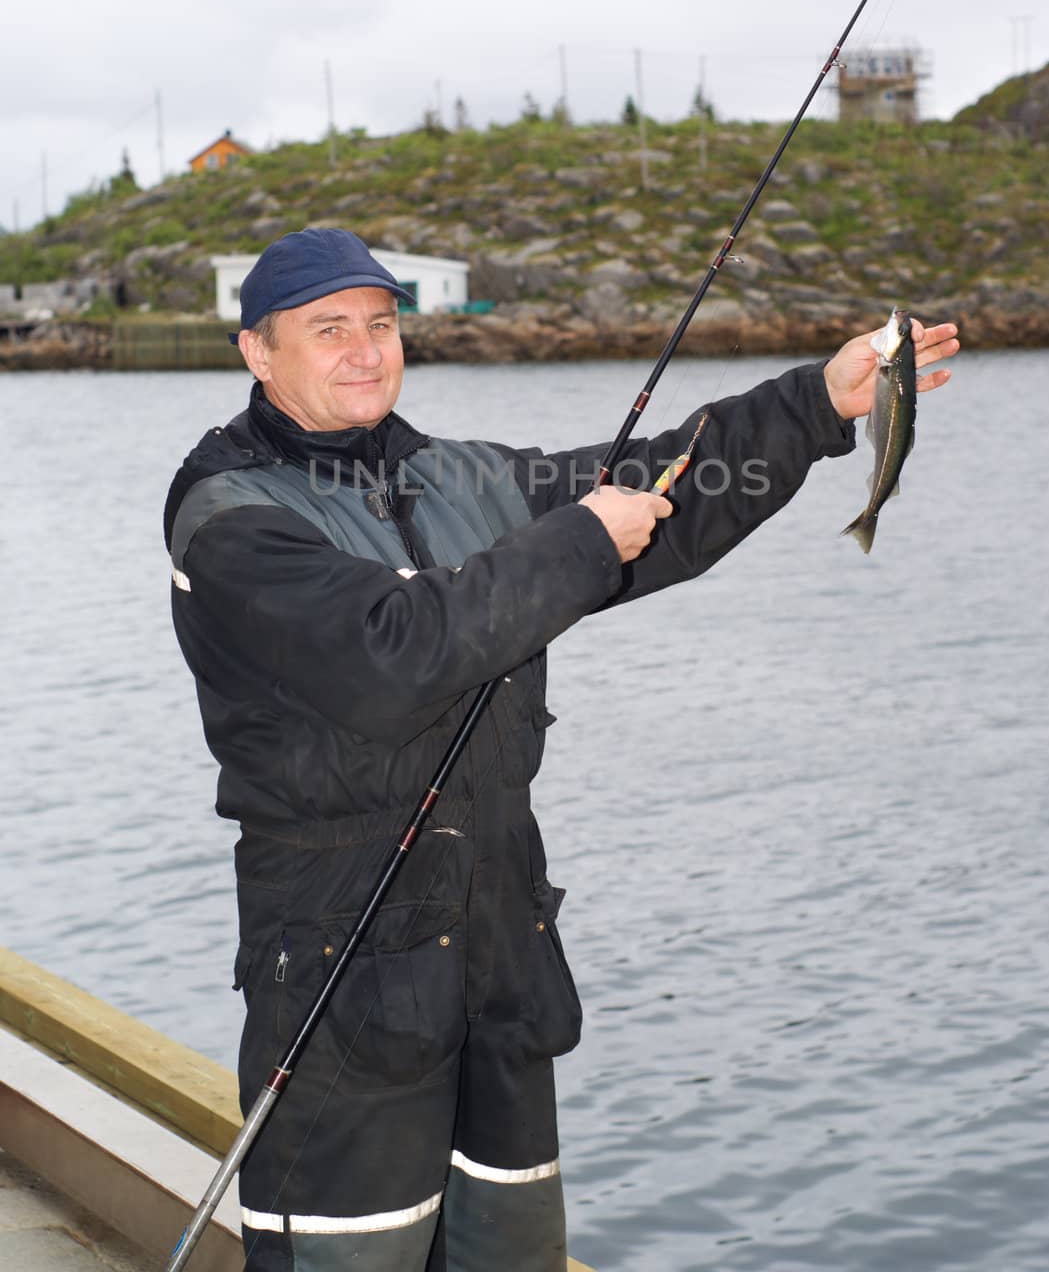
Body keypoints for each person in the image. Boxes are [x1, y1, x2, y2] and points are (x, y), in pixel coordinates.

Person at [165, 227, 958, 1272]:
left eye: (382, 323)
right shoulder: (228, 513)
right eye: (328, 330)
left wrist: (819, 403)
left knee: (511, 1253)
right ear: (257, 353)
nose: (365, 350)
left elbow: (654, 491)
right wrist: (583, 537)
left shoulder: (461, 477)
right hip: (340, 976)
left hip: (501, 960)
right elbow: (392, 652)